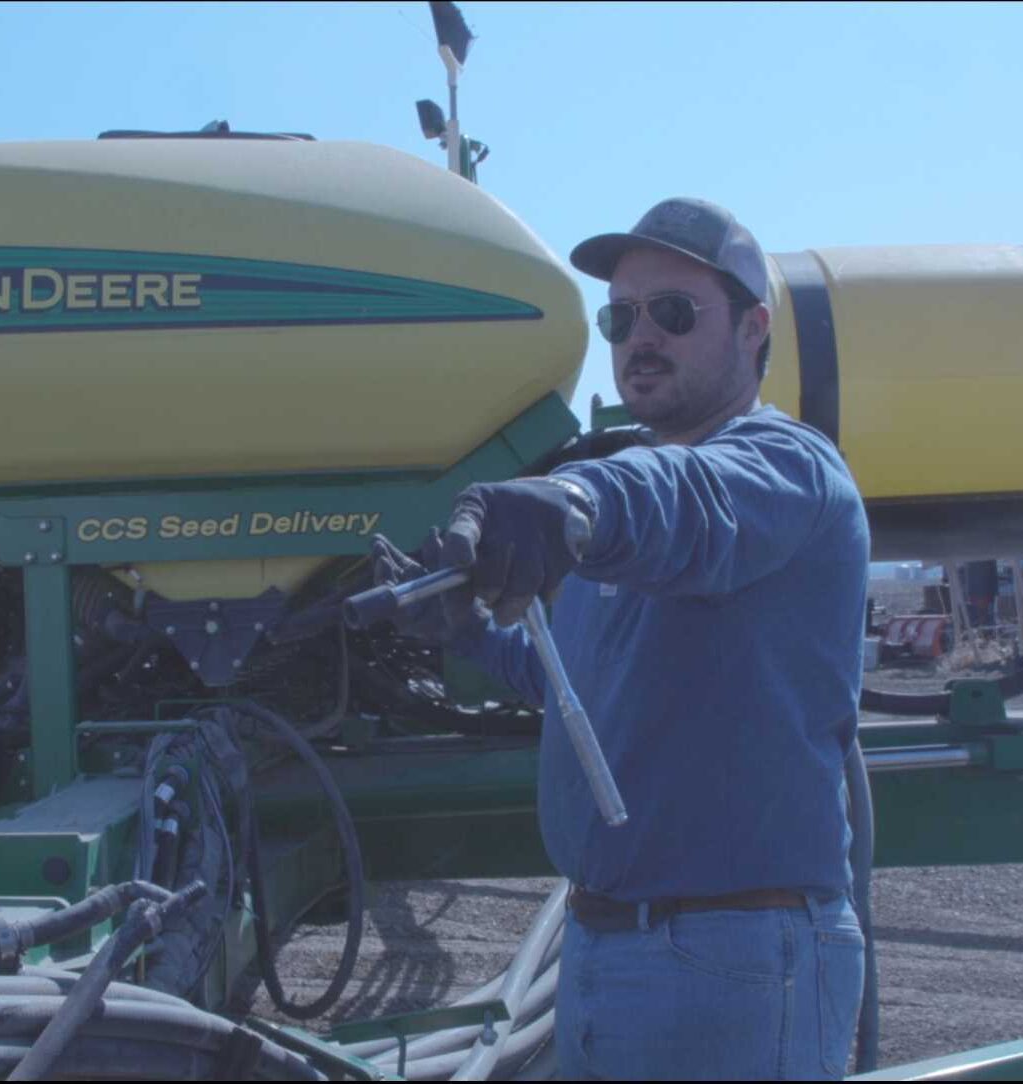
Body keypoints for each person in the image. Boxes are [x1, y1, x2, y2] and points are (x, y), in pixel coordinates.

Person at [373, 198, 869, 1080]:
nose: (642, 336)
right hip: (608, 944)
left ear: (753, 328)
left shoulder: (783, 467)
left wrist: (570, 500)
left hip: (731, 960)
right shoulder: (626, 511)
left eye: (673, 312)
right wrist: (467, 628)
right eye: (621, 317)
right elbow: (578, 685)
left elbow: (683, 496)